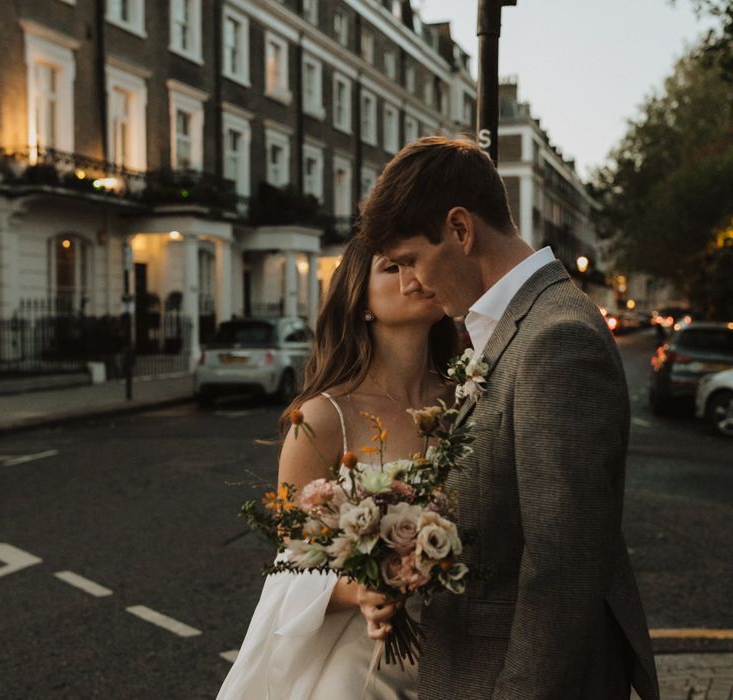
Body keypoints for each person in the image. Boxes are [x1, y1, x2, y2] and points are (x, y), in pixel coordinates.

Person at [356, 135, 660, 700]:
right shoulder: (517, 322)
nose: (409, 284)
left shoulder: (557, 338)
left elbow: (562, 568)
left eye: (413, 261)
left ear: (461, 230)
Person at [216, 238, 458, 699]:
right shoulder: (324, 417)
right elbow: (294, 560)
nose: (416, 276)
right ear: (360, 302)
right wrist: (364, 590)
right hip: (362, 659)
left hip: (460, 644)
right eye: (393, 268)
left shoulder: (466, 399)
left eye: (418, 261)